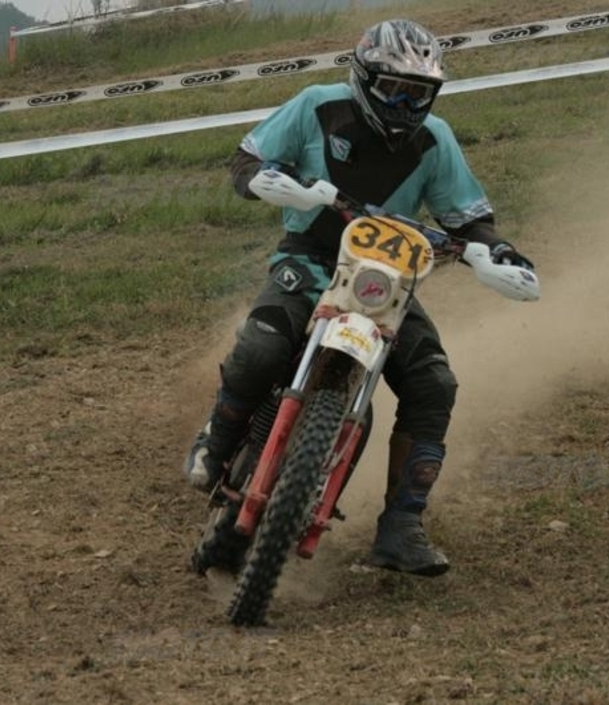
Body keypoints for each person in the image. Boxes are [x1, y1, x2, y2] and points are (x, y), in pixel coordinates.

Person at [184, 18, 534, 577]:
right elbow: (246, 158)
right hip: (309, 259)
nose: (405, 103)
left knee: (434, 385)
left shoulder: (435, 138)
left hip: (388, 279)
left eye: (418, 92)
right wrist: (265, 180)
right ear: (364, 79)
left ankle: (402, 526)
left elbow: (469, 218)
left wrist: (500, 252)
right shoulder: (317, 106)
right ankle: (216, 441)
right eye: (393, 87)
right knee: (260, 348)